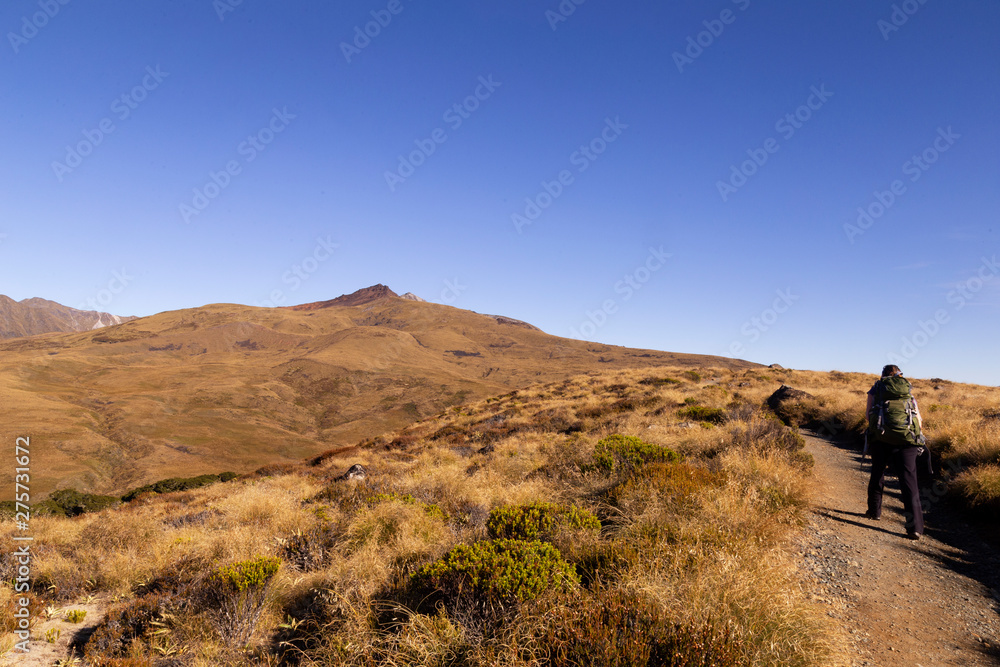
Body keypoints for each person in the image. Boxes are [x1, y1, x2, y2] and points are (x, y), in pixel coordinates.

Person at [865, 364, 925, 540]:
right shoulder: (907, 391)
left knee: (877, 471)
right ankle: (915, 528)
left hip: (881, 439)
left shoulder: (876, 390)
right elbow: (918, 420)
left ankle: (874, 512)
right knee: (909, 480)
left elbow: (869, 416)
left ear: (882, 376)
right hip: (907, 441)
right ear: (900, 375)